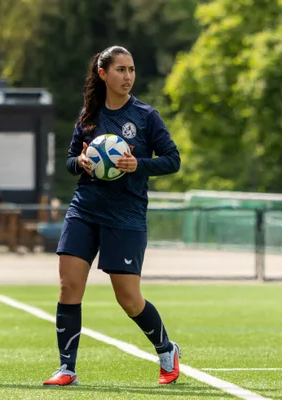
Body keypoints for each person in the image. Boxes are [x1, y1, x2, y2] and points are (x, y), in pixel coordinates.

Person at [43, 45, 181, 387]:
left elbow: (173, 160)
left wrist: (138, 165)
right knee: (68, 286)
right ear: (103, 74)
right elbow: (70, 159)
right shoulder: (88, 115)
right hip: (85, 208)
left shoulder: (146, 116)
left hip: (126, 214)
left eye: (131, 69)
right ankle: (67, 368)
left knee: (129, 299)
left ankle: (166, 349)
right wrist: (80, 162)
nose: (128, 76)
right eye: (121, 69)